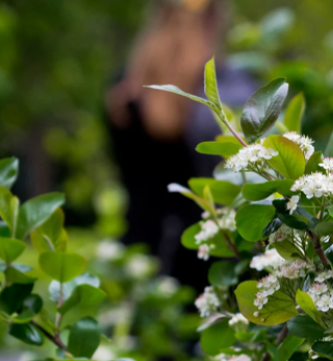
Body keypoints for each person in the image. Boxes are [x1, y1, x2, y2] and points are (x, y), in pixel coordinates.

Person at [106, 0, 255, 290]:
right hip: (199, 256)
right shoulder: (218, 94)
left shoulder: (122, 93)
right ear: (214, 22)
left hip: (138, 249)